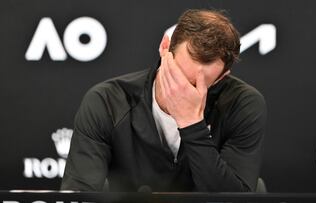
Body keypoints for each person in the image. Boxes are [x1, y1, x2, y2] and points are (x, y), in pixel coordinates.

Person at [61, 9, 266, 192]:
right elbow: (80, 192)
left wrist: (191, 124)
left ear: (221, 77)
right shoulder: (107, 101)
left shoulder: (242, 104)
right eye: (179, 75)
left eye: (197, 85)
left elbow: (233, 198)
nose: (182, 90)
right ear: (164, 47)